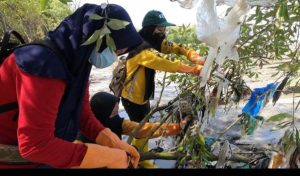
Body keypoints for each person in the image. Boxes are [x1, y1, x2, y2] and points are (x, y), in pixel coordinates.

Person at [0, 3, 143, 169]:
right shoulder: (42, 65)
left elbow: (82, 112)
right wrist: (107, 157)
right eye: (117, 50)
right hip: (13, 161)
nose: (115, 57)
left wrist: (112, 141)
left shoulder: (76, 65)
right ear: (97, 38)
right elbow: (34, 145)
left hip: (46, 155)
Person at [119, 10, 205, 168]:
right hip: (131, 98)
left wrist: (192, 55)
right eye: (160, 29)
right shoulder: (140, 48)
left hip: (142, 96)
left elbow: (177, 47)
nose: (164, 32)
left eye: (164, 29)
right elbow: (165, 63)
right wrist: (193, 70)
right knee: (140, 127)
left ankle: (139, 155)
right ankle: (141, 160)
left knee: (143, 123)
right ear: (150, 28)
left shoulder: (155, 42)